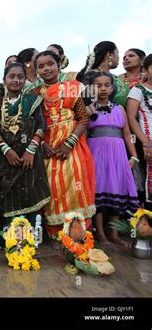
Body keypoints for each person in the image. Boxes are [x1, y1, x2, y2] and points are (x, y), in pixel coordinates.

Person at [29, 51, 96, 238]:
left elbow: (83, 118)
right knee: (52, 187)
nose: (46, 68)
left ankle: (81, 234)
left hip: (72, 146)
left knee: (77, 184)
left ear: (59, 66)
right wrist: (42, 145)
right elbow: (32, 124)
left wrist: (69, 144)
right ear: (36, 71)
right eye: (41, 66)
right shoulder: (33, 93)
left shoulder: (72, 88)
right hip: (48, 145)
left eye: (50, 64)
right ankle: (56, 235)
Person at [0, 63, 50, 227]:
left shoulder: (33, 101)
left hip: (29, 158)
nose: (16, 80)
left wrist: (31, 150)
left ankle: (29, 240)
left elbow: (41, 125)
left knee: (29, 193)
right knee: (7, 195)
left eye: (20, 77)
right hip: (5, 160)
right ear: (4, 80)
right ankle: (9, 241)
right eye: (12, 76)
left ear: (25, 80)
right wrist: (6, 150)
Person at [86, 72, 139, 247]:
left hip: (117, 155)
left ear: (112, 87)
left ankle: (114, 233)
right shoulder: (88, 109)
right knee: (98, 191)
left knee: (116, 189)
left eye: (106, 85)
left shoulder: (120, 109)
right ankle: (100, 233)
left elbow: (126, 134)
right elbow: (84, 136)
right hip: (96, 154)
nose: (102, 89)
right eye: (98, 85)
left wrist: (134, 156)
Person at [127, 54, 152, 208]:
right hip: (148, 141)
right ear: (145, 69)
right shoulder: (138, 90)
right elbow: (131, 118)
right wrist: (145, 142)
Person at [77, 41, 128, 107]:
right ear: (109, 54)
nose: (119, 57)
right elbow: (89, 104)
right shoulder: (90, 76)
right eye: (117, 53)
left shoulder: (114, 77)